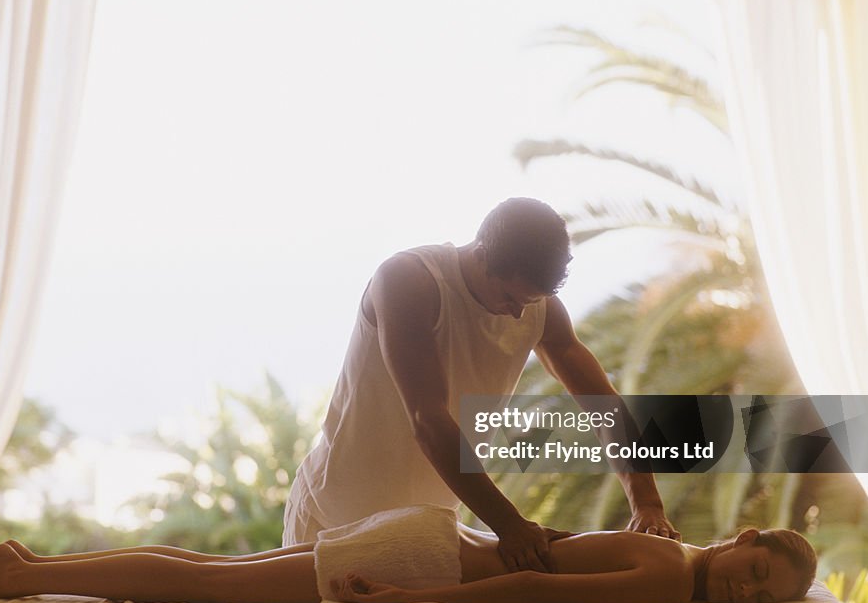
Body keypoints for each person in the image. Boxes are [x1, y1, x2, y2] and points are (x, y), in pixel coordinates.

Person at [284, 197, 678, 572]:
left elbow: (603, 406)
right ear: (483, 255)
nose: (519, 311)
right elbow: (428, 420)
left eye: (532, 300)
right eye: (511, 297)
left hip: (421, 533)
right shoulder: (409, 281)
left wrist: (647, 505)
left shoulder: (537, 308)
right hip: (332, 516)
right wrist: (510, 525)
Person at [0, 506, 815, 603]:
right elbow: (538, 582)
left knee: (207, 567)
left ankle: (31, 562)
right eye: (758, 571)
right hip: (427, 559)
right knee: (203, 586)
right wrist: (404, 598)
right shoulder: (669, 580)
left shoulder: (667, 544)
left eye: (763, 598)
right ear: (743, 540)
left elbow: (547, 560)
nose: (746, 590)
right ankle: (22, 576)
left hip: (431, 535)